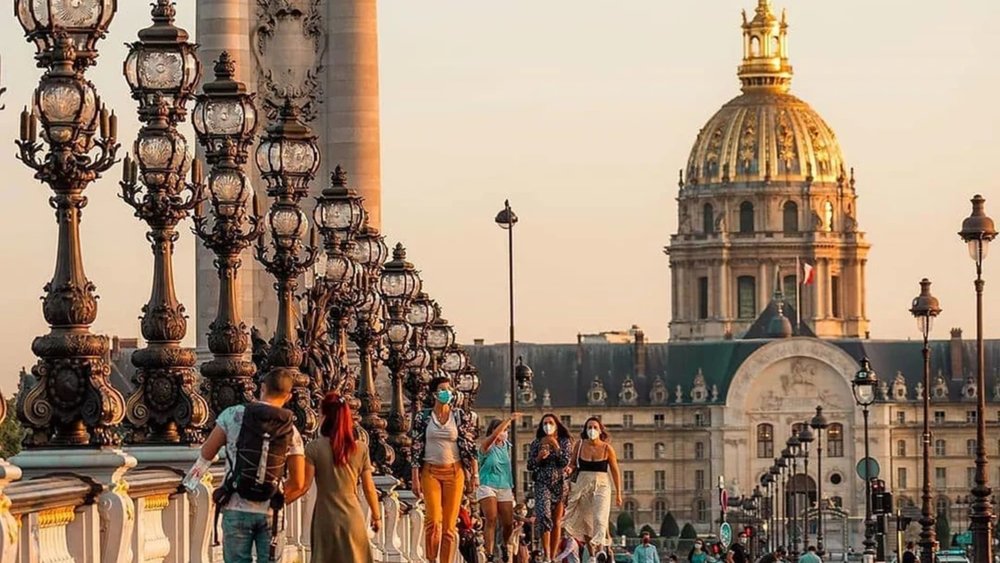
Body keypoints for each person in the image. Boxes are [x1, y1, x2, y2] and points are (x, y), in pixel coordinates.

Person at [193, 369, 306, 563]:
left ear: (262, 388)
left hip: (236, 504)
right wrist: (273, 498)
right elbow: (298, 482)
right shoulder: (291, 430)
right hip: (271, 511)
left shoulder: (233, 415)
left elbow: (207, 454)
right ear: (288, 396)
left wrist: (189, 484)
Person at [289, 392, 379, 562]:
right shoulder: (360, 449)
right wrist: (376, 516)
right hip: (353, 517)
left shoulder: (313, 448)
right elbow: (369, 488)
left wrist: (280, 501)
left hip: (326, 518)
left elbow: (303, 486)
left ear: (324, 416)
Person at [411, 375, 480, 563]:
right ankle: (431, 559)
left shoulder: (459, 416)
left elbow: (469, 446)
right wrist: (415, 477)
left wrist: (474, 474)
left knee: (449, 527)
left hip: (454, 473)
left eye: (449, 390)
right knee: (433, 521)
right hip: (430, 472)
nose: (446, 393)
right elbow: (416, 446)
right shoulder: (423, 417)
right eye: (442, 389)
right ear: (434, 393)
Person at [563, 416, 623, 558]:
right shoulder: (579, 445)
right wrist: (569, 469)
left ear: (600, 430)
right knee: (586, 521)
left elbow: (615, 471)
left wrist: (619, 493)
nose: (592, 430)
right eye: (589, 427)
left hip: (602, 484)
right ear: (585, 430)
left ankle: (601, 549)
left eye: (595, 427)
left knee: (600, 516)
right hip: (582, 485)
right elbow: (572, 463)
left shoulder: (607, 448)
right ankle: (592, 555)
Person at [527, 413, 573, 562]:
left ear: (556, 425)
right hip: (542, 482)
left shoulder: (565, 442)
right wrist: (539, 457)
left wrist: (556, 446)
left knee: (557, 521)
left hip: (560, 483)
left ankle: (553, 557)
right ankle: (546, 554)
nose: (548, 426)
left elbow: (565, 461)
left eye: (550, 423)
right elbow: (530, 465)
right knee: (544, 516)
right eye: (545, 423)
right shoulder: (536, 443)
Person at [479, 414, 521, 562]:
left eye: (507, 430)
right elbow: (495, 435)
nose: (505, 432)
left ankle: (504, 545)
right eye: (503, 429)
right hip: (487, 485)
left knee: (508, 524)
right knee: (491, 518)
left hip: (504, 486)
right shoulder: (486, 446)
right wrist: (509, 419)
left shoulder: (507, 446)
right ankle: (489, 554)